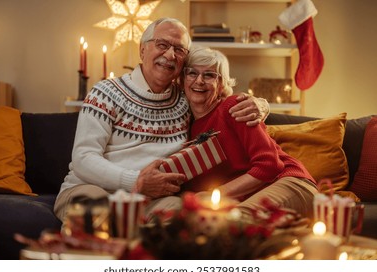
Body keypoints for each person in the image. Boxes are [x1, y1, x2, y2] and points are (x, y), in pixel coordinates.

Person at [53, 18, 269, 226]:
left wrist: (261, 105)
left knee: (182, 218)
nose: (170, 55)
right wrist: (136, 181)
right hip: (92, 188)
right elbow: (83, 158)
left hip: (152, 199)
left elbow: (222, 104)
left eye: (179, 50)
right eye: (162, 44)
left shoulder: (186, 98)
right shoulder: (105, 93)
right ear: (142, 49)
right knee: (98, 213)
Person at [181, 45, 318, 222]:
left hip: (290, 182)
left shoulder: (235, 107)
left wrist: (213, 195)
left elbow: (269, 165)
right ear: (183, 79)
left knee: (235, 220)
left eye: (209, 75)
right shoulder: (185, 125)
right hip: (248, 197)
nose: (199, 80)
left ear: (222, 83)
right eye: (192, 73)